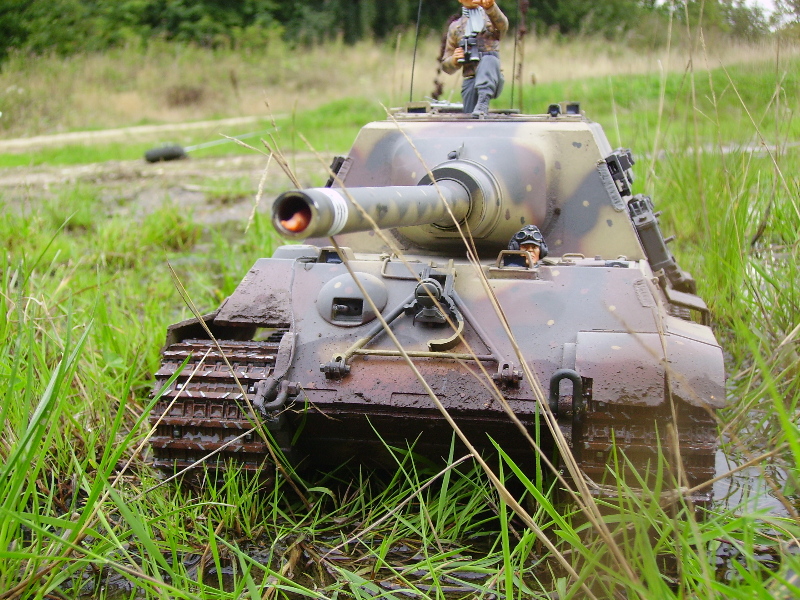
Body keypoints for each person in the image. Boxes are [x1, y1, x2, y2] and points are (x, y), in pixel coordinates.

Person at [441, 0, 508, 118]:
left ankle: (483, 102)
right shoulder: (456, 27)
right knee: (469, 115)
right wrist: (454, 60)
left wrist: (491, 7)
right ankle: (477, 112)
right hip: (470, 78)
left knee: (489, 60)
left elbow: (503, 27)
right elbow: (446, 66)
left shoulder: (490, 19)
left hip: (492, 77)